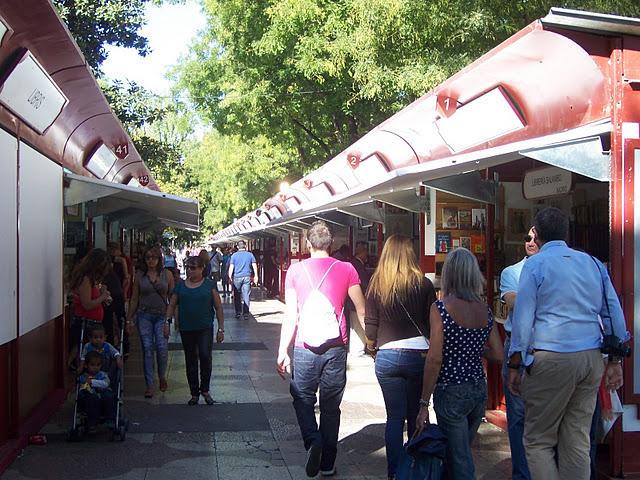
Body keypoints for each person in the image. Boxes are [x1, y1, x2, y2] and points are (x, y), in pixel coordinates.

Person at [507, 207, 629, 480]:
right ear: (566, 232)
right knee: (576, 438)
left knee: (539, 439)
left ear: (535, 234)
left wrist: (516, 362)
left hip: (550, 356)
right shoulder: (593, 264)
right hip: (589, 358)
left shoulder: (535, 265)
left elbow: (524, 318)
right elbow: (612, 311)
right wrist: (616, 360)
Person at [276, 220, 366, 478]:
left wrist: (283, 350)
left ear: (308, 243)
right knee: (330, 407)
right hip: (336, 347)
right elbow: (360, 308)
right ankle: (327, 463)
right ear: (332, 243)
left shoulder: (295, 271)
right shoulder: (347, 269)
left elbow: (290, 313)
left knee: (302, 397)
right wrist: (371, 340)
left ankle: (312, 440)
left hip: (304, 346)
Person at [415, 247, 503, 480]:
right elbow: (498, 354)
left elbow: (434, 358)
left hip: (451, 389)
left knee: (460, 459)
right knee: (459, 452)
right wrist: (473, 348)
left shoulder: (441, 308)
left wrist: (424, 402)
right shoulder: (485, 310)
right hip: (477, 389)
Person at [364, 234, 436, 480]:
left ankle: (394, 473)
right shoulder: (424, 284)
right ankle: (416, 467)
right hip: (418, 355)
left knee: (393, 418)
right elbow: (431, 323)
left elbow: (370, 326)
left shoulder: (376, 284)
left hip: (387, 355)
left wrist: (372, 348)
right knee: (416, 414)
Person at [499, 227, 538, 480]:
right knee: (518, 417)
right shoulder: (512, 272)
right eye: (527, 238)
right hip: (517, 346)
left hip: (548, 347)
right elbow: (514, 305)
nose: (530, 242)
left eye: (535, 238)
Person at [166, 255, 225, 406]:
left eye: (193, 268)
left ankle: (205, 389)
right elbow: (172, 304)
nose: (190, 271)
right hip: (187, 328)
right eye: (188, 268)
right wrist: (167, 322)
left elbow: (218, 306)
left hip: (205, 327)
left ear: (202, 268)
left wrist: (221, 329)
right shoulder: (180, 285)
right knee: (190, 359)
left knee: (205, 356)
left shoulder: (209, 285)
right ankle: (194, 393)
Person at [127, 246, 175, 399]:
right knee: (147, 348)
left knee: (161, 348)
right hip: (144, 315)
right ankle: (149, 384)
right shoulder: (140, 275)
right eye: (148, 257)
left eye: (154, 257)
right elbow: (135, 297)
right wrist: (129, 318)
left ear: (159, 259)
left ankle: (161, 376)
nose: (150, 260)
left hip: (162, 315)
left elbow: (173, 299)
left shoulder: (167, 275)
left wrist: (170, 320)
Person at [68, 249, 112, 370]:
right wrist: (103, 297)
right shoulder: (85, 279)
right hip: (86, 324)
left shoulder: (93, 280)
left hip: (93, 323)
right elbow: (87, 304)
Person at [77, 351, 116, 432]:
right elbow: (82, 388)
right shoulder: (83, 377)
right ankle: (92, 422)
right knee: (90, 397)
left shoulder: (102, 375)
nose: (95, 367)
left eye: (98, 365)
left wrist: (92, 382)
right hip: (90, 399)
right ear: (86, 366)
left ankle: (111, 419)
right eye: (92, 365)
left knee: (109, 396)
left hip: (103, 397)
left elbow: (106, 383)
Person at [228, 240, 258, 320]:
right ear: (245, 246)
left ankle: (238, 312)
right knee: (246, 295)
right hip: (247, 277)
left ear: (237, 247)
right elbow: (254, 265)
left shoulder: (234, 255)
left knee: (237, 295)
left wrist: (230, 277)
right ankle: (246, 313)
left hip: (237, 277)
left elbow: (231, 267)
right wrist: (256, 276)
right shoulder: (250, 255)